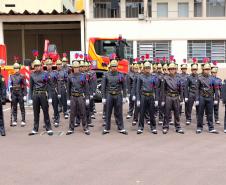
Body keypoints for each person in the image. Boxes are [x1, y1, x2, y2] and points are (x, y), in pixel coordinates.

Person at [102, 60, 128, 135]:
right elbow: (103, 87)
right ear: (110, 67)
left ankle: (121, 128)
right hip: (109, 95)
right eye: (112, 66)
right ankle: (106, 128)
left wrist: (125, 96)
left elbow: (124, 86)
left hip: (118, 95)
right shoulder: (106, 75)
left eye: (115, 66)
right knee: (108, 112)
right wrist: (103, 97)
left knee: (119, 112)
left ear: (117, 67)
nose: (114, 68)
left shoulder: (121, 75)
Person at [28, 58, 53, 136]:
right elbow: (31, 87)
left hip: (43, 94)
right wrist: (30, 98)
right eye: (35, 66)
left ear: (41, 66)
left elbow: (49, 85)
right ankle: (35, 128)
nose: (37, 67)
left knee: (45, 111)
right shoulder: (32, 75)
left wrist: (50, 97)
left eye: (38, 66)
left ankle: (48, 128)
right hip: (35, 95)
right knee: (36, 112)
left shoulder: (45, 74)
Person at [66, 61, 90, 135]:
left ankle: (85, 128)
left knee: (83, 112)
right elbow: (68, 88)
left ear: (79, 68)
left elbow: (86, 88)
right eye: (74, 67)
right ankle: (71, 128)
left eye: (77, 67)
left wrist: (87, 98)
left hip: (80, 96)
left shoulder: (83, 76)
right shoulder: (70, 76)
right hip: (73, 96)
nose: (76, 69)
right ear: (73, 68)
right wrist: (68, 99)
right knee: (72, 113)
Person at [161, 62, 184, 134]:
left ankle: (178, 127)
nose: (172, 70)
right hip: (168, 97)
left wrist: (181, 99)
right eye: (170, 69)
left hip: (176, 97)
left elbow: (181, 89)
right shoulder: (165, 78)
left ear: (175, 69)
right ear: (168, 70)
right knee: (167, 113)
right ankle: (165, 126)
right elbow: (163, 90)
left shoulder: (178, 78)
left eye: (173, 69)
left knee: (177, 113)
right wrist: (163, 100)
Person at [196, 60, 219, 134]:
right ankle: (199, 127)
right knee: (200, 113)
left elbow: (216, 89)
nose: (207, 71)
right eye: (206, 69)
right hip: (202, 97)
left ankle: (211, 128)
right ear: (203, 70)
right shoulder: (199, 78)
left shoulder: (212, 78)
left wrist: (215, 99)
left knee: (210, 113)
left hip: (210, 97)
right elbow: (197, 89)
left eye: (208, 69)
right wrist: (197, 99)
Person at [136, 61, 159, 134]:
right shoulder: (140, 77)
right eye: (146, 68)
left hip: (151, 96)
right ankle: (140, 127)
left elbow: (156, 88)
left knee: (152, 113)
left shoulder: (153, 77)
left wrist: (156, 99)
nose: (147, 69)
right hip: (143, 96)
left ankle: (153, 127)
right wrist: (138, 99)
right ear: (144, 68)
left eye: (148, 68)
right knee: (142, 112)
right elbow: (137, 88)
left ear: (150, 68)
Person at [8, 63, 27, 127]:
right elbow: (10, 86)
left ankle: (23, 120)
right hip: (13, 93)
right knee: (14, 107)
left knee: (22, 107)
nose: (16, 70)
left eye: (17, 68)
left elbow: (24, 85)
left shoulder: (22, 76)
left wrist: (25, 95)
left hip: (20, 92)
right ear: (14, 69)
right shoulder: (11, 76)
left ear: (19, 69)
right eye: (15, 68)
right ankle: (15, 120)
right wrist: (9, 94)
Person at [46, 59, 60, 127]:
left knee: (55, 107)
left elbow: (58, 83)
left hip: (54, 91)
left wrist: (59, 92)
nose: (48, 66)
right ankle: (47, 121)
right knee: (46, 108)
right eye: (47, 64)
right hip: (46, 92)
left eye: (50, 64)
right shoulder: (44, 73)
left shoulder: (55, 73)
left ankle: (56, 120)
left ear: (52, 65)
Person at [184, 59, 199, 125]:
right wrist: (186, 96)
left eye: (195, 70)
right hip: (191, 93)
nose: (194, 71)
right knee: (189, 107)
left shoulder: (199, 77)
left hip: (197, 94)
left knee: (199, 107)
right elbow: (186, 87)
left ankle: (199, 119)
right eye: (193, 70)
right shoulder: (189, 77)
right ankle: (188, 119)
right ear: (191, 70)